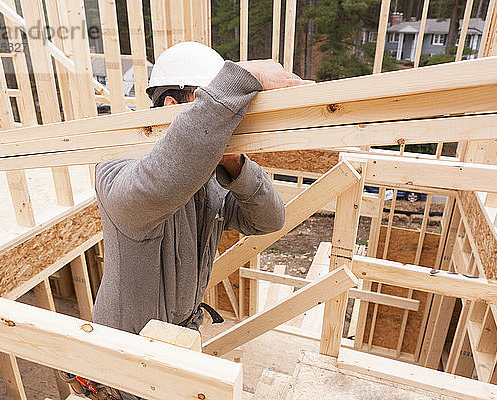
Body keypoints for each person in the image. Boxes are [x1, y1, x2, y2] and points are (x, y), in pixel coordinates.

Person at [63, 42, 311, 400]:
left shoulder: (209, 181)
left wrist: (236, 164)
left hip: (178, 342)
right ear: (171, 107)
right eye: (208, 102)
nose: (232, 124)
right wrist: (245, 79)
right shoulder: (116, 170)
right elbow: (164, 180)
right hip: (126, 360)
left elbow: (269, 219)